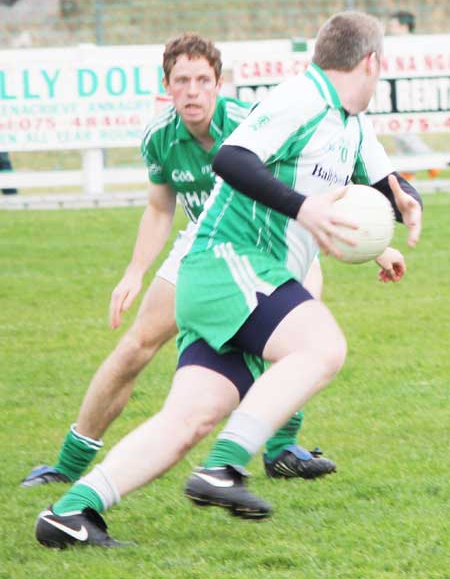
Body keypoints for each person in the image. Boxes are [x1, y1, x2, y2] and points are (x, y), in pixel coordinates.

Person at [35, 11, 422, 548]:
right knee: (323, 346)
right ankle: (225, 467)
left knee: (189, 419)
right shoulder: (302, 100)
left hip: (235, 281)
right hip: (227, 262)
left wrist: (402, 207)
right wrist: (305, 210)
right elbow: (232, 159)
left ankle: (72, 511)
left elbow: (384, 185)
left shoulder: (351, 121)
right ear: (371, 62)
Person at [24, 35, 334, 491]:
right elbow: (159, 207)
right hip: (203, 251)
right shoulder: (159, 138)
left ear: (218, 84)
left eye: (202, 80)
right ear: (166, 86)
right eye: (182, 81)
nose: (193, 91)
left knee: (299, 327)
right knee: (136, 347)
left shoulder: (251, 125)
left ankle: (282, 448)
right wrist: (134, 271)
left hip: (268, 244)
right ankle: (68, 465)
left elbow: (304, 180)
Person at [386, 10, 440, 179]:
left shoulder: (413, 45)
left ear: (403, 26)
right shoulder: (394, 45)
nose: (390, 28)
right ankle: (408, 170)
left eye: (393, 25)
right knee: (398, 130)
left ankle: (432, 160)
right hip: (396, 92)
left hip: (409, 93)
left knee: (404, 130)